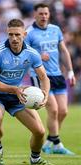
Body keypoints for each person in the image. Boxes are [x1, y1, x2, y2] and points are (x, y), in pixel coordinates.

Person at [0, 18, 51, 165]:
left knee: (39, 132)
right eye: (11, 35)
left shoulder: (32, 53)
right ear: (7, 34)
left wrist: (45, 94)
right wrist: (15, 89)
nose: (14, 38)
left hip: (16, 94)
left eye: (17, 35)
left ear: (24, 34)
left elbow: (44, 77)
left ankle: (35, 159)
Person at [25, 3, 76, 155]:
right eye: (41, 14)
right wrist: (38, 56)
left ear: (49, 15)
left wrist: (71, 71)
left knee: (63, 111)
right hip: (40, 76)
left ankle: (49, 141)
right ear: (35, 15)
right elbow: (24, 54)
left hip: (58, 74)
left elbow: (64, 50)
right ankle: (58, 145)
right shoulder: (30, 33)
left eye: (46, 14)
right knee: (53, 110)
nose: (44, 16)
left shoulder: (56, 30)